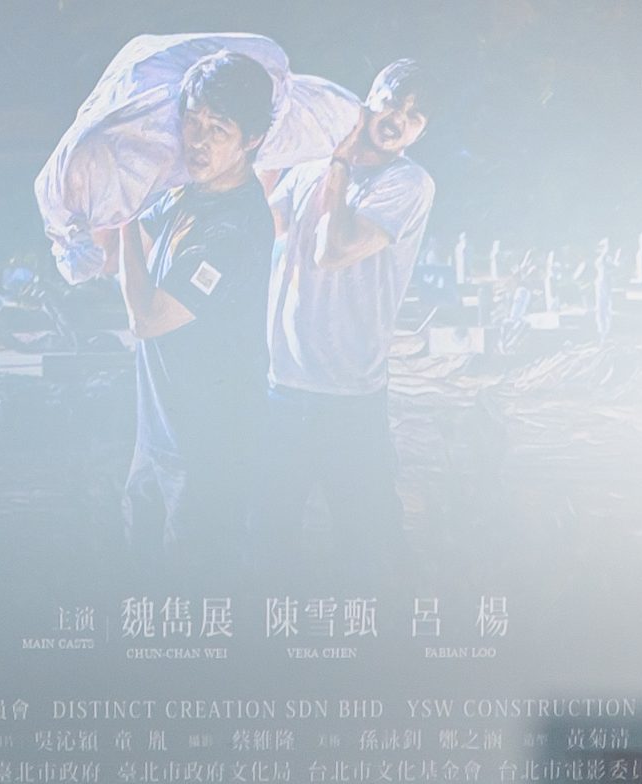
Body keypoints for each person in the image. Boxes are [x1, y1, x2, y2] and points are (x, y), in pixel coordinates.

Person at [261, 59, 435, 581]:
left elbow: (332, 250)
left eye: (414, 116)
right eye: (393, 104)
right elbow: (275, 228)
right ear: (369, 99)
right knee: (266, 539)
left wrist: (337, 162)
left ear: (422, 131)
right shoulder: (311, 165)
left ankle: (387, 631)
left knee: (370, 546)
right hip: (283, 385)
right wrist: (268, 150)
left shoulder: (409, 183)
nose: (398, 120)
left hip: (350, 395)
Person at [116, 50, 276, 575]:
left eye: (219, 128)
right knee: (141, 593)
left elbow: (147, 318)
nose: (198, 140)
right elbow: (123, 255)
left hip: (209, 451)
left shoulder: (233, 228)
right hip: (157, 438)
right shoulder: (186, 196)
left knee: (195, 599)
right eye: (192, 121)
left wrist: (123, 216)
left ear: (252, 138)